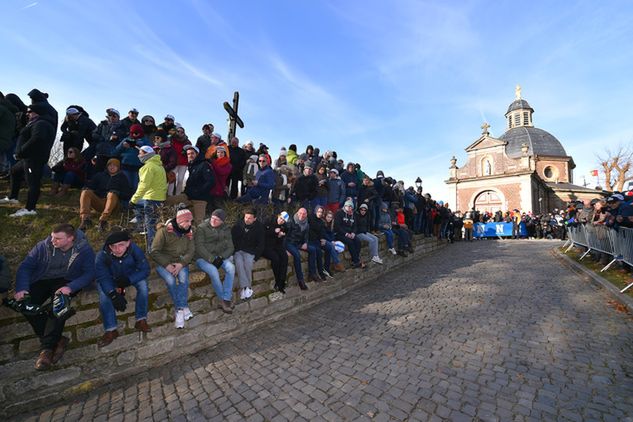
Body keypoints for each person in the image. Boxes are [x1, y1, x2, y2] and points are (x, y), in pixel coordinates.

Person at [13, 224, 95, 370]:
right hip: (43, 279)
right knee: (25, 304)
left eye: (57, 238)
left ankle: (47, 350)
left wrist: (71, 287)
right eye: (52, 237)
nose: (53, 241)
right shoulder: (43, 247)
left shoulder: (84, 250)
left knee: (58, 305)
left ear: (70, 239)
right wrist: (22, 288)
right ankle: (58, 339)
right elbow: (26, 267)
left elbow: (89, 273)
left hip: (67, 280)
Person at [95, 230, 151, 348]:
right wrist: (113, 295)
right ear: (109, 246)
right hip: (111, 279)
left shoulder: (135, 250)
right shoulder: (102, 255)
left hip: (130, 276)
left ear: (128, 243)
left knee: (143, 286)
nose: (117, 249)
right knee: (104, 295)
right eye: (113, 246)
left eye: (121, 245)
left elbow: (145, 269)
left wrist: (129, 280)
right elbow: (102, 277)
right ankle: (111, 329)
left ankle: (141, 319)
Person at [1, 103, 56, 217]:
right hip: (28, 158)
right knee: (14, 171)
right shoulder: (35, 123)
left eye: (30, 111)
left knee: (33, 182)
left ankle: (30, 209)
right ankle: (13, 197)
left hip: (34, 158)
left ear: (37, 112)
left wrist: (21, 151)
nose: (27, 113)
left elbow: (37, 139)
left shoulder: (41, 123)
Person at [150, 209, 195, 328]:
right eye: (187, 221)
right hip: (163, 263)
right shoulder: (164, 231)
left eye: (191, 221)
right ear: (179, 221)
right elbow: (154, 251)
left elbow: (191, 251)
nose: (190, 224)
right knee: (170, 281)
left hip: (180, 262)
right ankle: (183, 307)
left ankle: (179, 310)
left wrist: (181, 263)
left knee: (184, 279)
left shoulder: (189, 232)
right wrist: (166, 265)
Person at [195, 209, 235, 314]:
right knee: (213, 271)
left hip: (219, 257)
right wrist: (212, 259)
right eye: (212, 218)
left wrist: (221, 257)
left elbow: (231, 247)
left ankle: (226, 298)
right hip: (202, 258)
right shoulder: (202, 228)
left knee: (231, 267)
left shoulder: (226, 229)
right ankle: (223, 301)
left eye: (217, 220)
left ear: (222, 221)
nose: (213, 221)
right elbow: (199, 247)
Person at [165, 145, 215, 225]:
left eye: (192, 153)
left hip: (200, 199)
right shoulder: (192, 165)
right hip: (188, 196)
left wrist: (199, 192)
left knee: (199, 222)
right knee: (167, 201)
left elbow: (211, 181)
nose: (190, 155)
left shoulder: (204, 165)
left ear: (197, 154)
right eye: (188, 154)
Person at [78, 158, 131, 232]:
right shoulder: (100, 175)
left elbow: (128, 195)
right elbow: (91, 185)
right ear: (107, 166)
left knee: (111, 193)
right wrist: (86, 187)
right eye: (110, 165)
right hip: (100, 202)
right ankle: (85, 219)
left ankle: (103, 220)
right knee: (86, 192)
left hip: (114, 205)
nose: (112, 167)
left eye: (114, 165)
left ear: (118, 167)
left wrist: (117, 193)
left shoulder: (122, 178)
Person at [130, 145, 167, 249]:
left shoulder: (148, 167)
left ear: (147, 154)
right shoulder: (159, 165)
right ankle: (141, 224)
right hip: (158, 198)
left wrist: (133, 200)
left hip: (151, 199)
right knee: (151, 221)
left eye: (140, 153)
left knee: (151, 225)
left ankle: (152, 249)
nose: (138, 155)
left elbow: (143, 185)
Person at [231, 208, 265, 301]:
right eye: (246, 217)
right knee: (238, 263)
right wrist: (233, 251)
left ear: (254, 218)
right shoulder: (238, 225)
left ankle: (245, 288)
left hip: (250, 251)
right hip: (238, 250)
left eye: (250, 218)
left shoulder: (259, 227)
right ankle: (248, 288)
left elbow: (261, 244)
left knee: (248, 264)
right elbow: (233, 240)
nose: (247, 220)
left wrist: (256, 257)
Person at [286, 207, 324, 289]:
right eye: (300, 213)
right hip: (290, 243)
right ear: (297, 213)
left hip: (299, 243)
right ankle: (301, 280)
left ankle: (312, 274)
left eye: (304, 214)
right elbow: (285, 236)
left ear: (306, 215)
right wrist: (285, 249)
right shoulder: (291, 221)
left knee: (313, 250)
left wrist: (305, 243)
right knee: (297, 256)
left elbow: (306, 235)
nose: (302, 215)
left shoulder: (306, 223)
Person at [115, 123, 148, 191]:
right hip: (125, 166)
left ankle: (134, 201)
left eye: (136, 133)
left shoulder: (145, 140)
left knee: (136, 187)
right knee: (125, 185)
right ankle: (124, 200)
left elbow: (150, 151)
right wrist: (122, 146)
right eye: (133, 133)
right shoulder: (126, 139)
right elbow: (116, 151)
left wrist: (138, 146)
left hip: (138, 168)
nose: (134, 134)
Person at [263, 211, 290, 293]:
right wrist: (274, 231)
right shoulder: (269, 220)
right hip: (266, 246)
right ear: (278, 216)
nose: (281, 221)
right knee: (276, 259)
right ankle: (278, 282)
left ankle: (282, 281)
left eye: (283, 220)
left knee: (285, 258)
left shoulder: (284, 226)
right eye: (281, 218)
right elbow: (263, 233)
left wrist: (279, 236)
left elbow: (280, 240)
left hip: (277, 245)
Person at [334, 200, 365, 269]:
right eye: (348, 206)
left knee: (358, 241)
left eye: (351, 207)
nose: (349, 208)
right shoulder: (339, 213)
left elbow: (355, 226)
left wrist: (353, 233)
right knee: (350, 242)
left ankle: (354, 260)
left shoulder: (352, 214)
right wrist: (346, 234)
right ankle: (357, 261)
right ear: (345, 206)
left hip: (350, 233)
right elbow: (337, 227)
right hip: (340, 234)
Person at [308, 205, 336, 278]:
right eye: (318, 211)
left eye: (321, 212)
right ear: (316, 211)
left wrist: (323, 238)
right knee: (318, 252)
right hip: (310, 240)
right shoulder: (311, 218)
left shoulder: (321, 221)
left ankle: (326, 268)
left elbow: (322, 231)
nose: (320, 213)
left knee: (329, 248)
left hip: (318, 240)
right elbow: (314, 228)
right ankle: (319, 272)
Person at [170, 126, 191, 195]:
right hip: (174, 162)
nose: (180, 133)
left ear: (184, 133)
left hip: (183, 163)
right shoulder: (172, 139)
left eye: (182, 132)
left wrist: (186, 151)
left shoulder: (187, 141)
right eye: (178, 131)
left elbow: (190, 151)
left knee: (180, 180)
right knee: (171, 179)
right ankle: (170, 194)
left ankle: (177, 195)